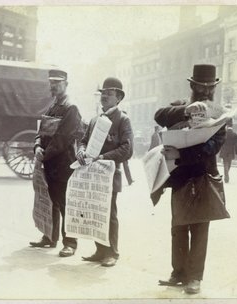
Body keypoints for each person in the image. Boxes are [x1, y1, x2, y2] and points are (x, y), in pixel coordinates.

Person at [154, 64, 226, 294]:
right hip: (180, 178)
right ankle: (178, 273)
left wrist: (180, 154)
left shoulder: (220, 115)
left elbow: (212, 147)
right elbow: (159, 115)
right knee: (178, 227)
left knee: (199, 228)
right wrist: (186, 111)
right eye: (200, 87)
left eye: (209, 88)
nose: (205, 92)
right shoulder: (180, 107)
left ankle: (194, 278)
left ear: (214, 88)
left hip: (202, 176)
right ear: (192, 86)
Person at [76, 77, 133, 267]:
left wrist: (103, 157)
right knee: (95, 212)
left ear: (119, 98)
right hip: (93, 174)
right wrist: (81, 150)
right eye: (103, 94)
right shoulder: (94, 120)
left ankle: (112, 252)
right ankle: (100, 250)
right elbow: (83, 140)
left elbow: (127, 149)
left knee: (109, 213)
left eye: (109, 94)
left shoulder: (122, 120)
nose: (104, 97)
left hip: (109, 173)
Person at [30, 70, 84, 257]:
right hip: (48, 161)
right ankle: (49, 237)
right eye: (51, 83)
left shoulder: (71, 108)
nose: (53, 86)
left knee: (64, 203)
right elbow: (40, 132)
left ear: (66, 84)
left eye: (58, 83)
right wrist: (37, 146)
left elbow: (62, 139)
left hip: (63, 164)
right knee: (49, 200)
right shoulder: (52, 107)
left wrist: (43, 155)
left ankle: (70, 243)